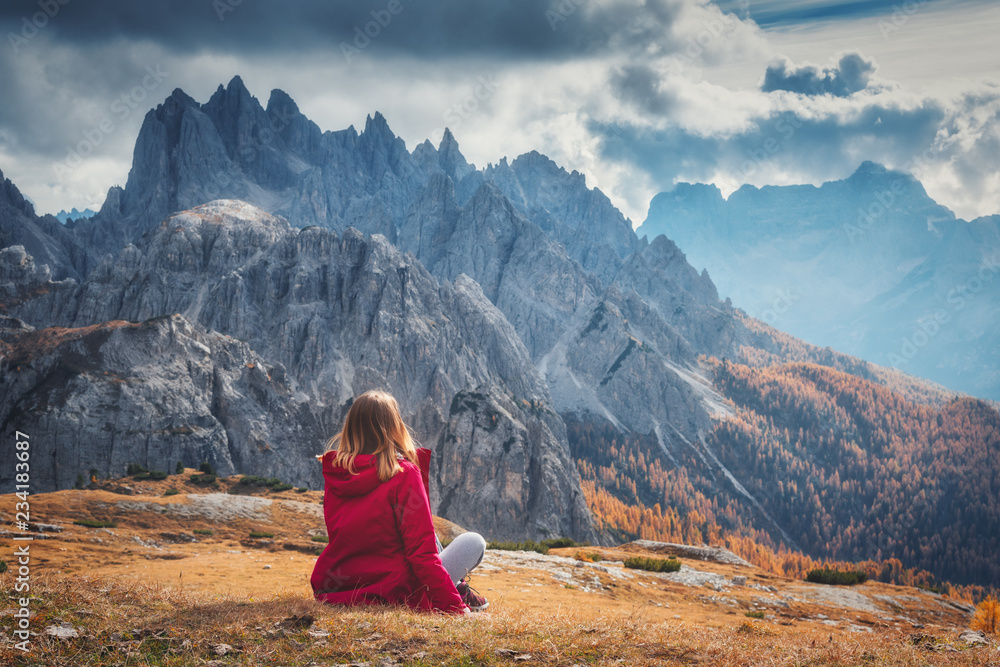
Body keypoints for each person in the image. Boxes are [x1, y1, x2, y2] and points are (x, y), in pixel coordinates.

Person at [310, 390, 489, 614]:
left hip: (338, 586)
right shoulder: (402, 474)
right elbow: (421, 555)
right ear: (395, 426)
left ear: (351, 427)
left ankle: (456, 586)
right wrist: (455, 608)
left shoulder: (337, 471)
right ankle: (456, 588)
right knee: (474, 542)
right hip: (394, 589)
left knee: (428, 532)